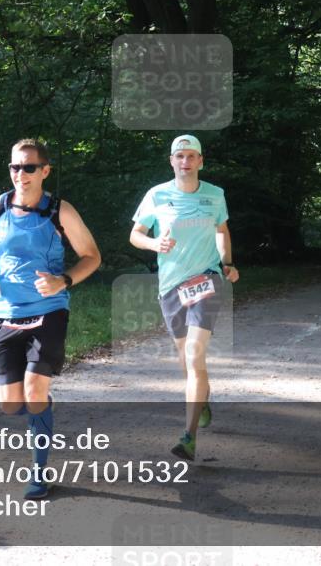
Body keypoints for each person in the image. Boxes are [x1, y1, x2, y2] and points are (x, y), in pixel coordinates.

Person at [0, 138, 101, 499]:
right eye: (15, 167)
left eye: (29, 167)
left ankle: (38, 472)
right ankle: (41, 412)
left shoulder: (60, 212)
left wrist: (63, 280)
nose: (21, 174)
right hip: (6, 314)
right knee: (11, 403)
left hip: (49, 311)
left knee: (34, 390)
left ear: (45, 171)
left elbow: (92, 256)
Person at [129, 134, 238, 461]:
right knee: (187, 361)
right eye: (180, 156)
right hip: (171, 287)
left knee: (193, 354)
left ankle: (188, 436)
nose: (186, 162)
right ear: (172, 160)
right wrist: (154, 245)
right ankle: (201, 397)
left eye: (192, 156)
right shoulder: (157, 195)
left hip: (206, 279)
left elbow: (222, 230)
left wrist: (228, 263)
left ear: (200, 161)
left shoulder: (215, 195)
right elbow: (135, 235)